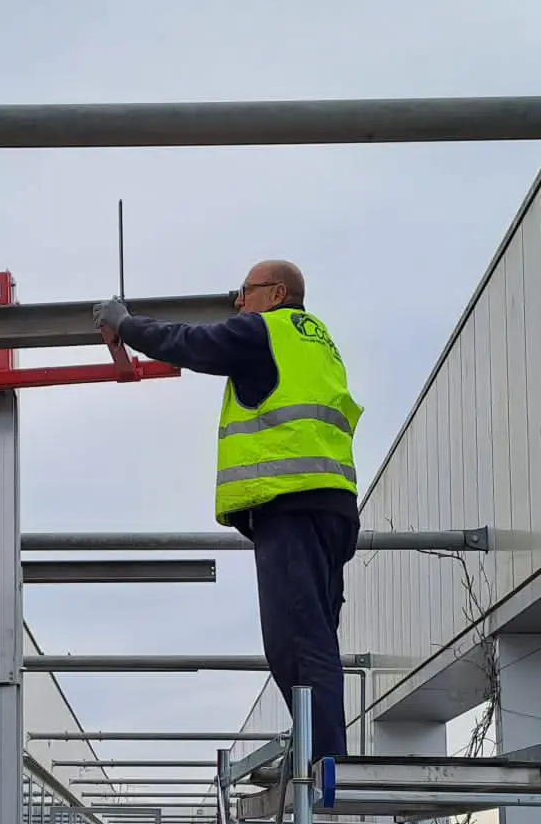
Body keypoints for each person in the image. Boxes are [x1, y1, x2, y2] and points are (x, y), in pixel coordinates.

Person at [92, 260, 362, 760]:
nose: (238, 301)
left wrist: (126, 324)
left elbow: (191, 343)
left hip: (291, 505)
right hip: (332, 507)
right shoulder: (317, 340)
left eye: (245, 291)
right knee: (314, 638)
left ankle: (326, 762)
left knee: (295, 644)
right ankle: (321, 750)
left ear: (276, 293)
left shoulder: (264, 331)